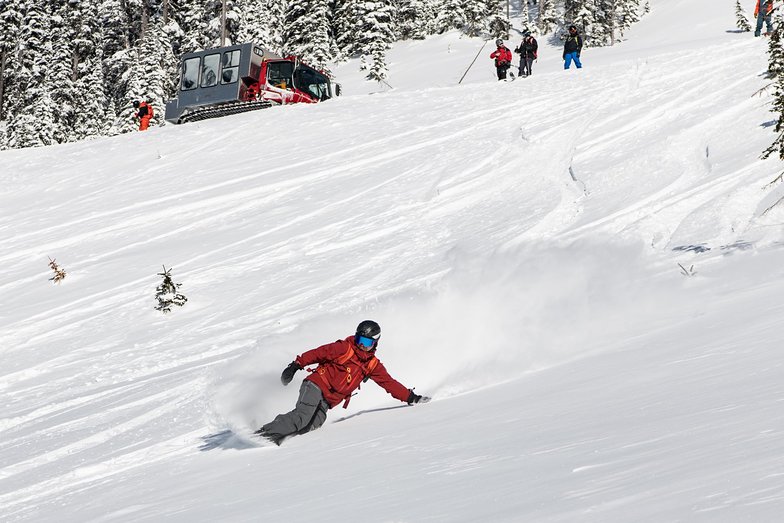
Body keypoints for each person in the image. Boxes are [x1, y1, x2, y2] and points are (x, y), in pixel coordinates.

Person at [255, 320, 431, 445]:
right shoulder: (344, 348)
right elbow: (318, 353)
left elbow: (389, 383)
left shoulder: (372, 365)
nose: (362, 346)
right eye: (360, 341)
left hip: (327, 401)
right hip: (316, 385)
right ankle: (262, 435)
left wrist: (411, 397)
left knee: (314, 423)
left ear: (375, 342)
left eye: (367, 342)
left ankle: (277, 438)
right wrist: (295, 366)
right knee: (302, 417)